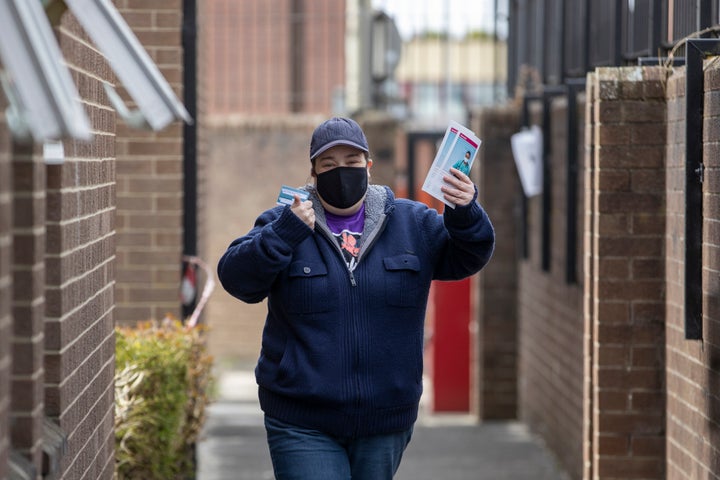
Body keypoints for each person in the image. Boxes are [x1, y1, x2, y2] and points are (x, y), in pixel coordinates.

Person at [217, 117, 495, 480]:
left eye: (351, 162)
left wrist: (466, 212)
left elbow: (468, 255)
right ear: (313, 173)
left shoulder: (412, 223)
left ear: (368, 166)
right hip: (301, 417)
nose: (341, 172)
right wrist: (283, 235)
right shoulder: (284, 221)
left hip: (385, 418)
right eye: (328, 165)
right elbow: (237, 278)